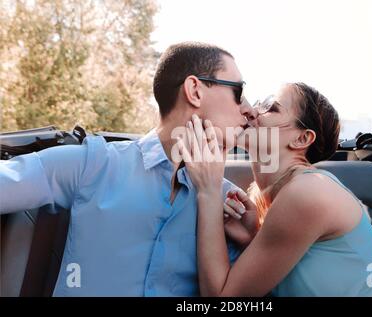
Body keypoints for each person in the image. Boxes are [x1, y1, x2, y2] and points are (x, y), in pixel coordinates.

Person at [0, 42, 255, 296]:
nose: (249, 110)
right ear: (195, 91)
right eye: (238, 92)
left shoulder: (228, 205)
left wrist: (251, 242)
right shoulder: (93, 164)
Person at [178, 82, 372, 296]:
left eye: (270, 108)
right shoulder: (275, 195)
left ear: (302, 139)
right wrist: (252, 239)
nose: (251, 112)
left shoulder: (307, 192)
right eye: (257, 104)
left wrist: (208, 190)